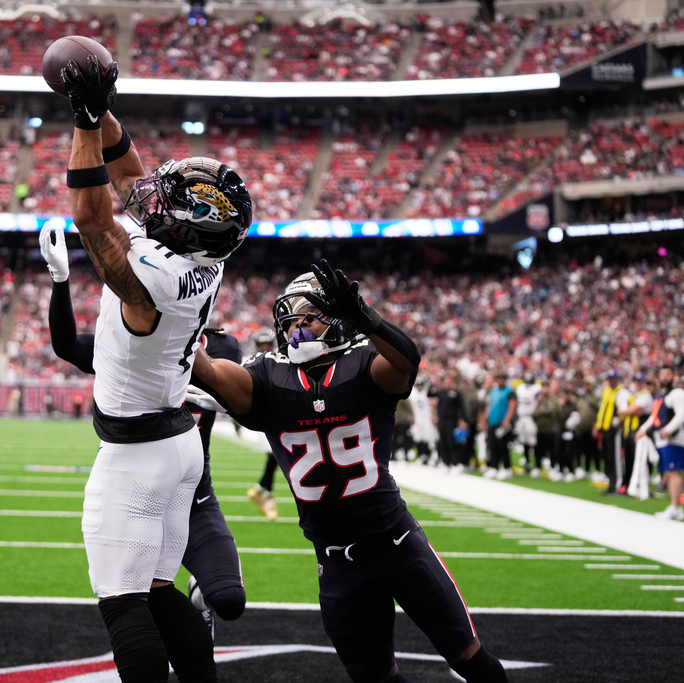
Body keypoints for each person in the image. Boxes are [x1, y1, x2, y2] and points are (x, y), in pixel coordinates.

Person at [191, 261, 508, 683]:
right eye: (293, 319)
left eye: (311, 317)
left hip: (397, 544)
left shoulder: (365, 365)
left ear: (339, 320)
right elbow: (209, 371)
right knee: (375, 678)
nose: (299, 328)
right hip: (337, 562)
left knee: (470, 659)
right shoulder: (266, 378)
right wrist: (175, 315)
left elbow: (407, 362)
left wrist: (367, 317)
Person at [56, 53, 253, 683]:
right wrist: (101, 110)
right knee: (159, 590)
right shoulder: (199, 255)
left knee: (122, 603)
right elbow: (130, 174)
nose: (156, 195)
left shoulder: (156, 278)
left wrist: (83, 120)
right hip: (176, 446)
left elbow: (91, 216)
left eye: (174, 199)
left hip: (138, 453)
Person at [39, 223, 247, 637]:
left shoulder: (221, 348)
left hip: (193, 493)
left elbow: (256, 400)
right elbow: (66, 346)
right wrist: (60, 281)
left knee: (227, 599)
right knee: (138, 600)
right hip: (137, 480)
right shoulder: (133, 343)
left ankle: (195, 607)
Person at [636, 365, 684, 520]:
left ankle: (675, 506)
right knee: (668, 473)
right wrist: (643, 428)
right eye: (662, 374)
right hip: (662, 439)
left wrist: (669, 429)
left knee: (673, 472)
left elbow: (682, 413)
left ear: (673, 376)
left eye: (667, 374)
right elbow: (654, 416)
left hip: (674, 439)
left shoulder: (676, 393)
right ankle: (673, 505)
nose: (664, 377)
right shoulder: (660, 395)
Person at [244, 328, 279, 518]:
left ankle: (263, 491)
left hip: (275, 413)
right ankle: (264, 492)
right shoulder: (251, 362)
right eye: (262, 345)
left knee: (276, 456)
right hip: (261, 416)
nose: (265, 348)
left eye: (268, 345)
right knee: (276, 455)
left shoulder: (278, 360)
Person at [618, 372, 652, 496]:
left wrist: (627, 410)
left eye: (640, 381)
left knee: (641, 461)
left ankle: (642, 486)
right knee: (628, 460)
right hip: (628, 432)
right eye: (636, 381)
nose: (638, 383)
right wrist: (628, 411)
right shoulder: (633, 396)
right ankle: (627, 485)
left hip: (640, 432)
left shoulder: (646, 395)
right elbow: (622, 411)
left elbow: (634, 410)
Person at [594, 370, 628, 494]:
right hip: (605, 428)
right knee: (608, 457)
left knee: (615, 458)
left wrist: (619, 422)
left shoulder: (621, 392)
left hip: (615, 430)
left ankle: (617, 485)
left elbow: (623, 410)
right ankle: (611, 483)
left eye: (613, 379)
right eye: (610, 378)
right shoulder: (607, 391)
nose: (612, 381)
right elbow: (602, 409)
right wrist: (598, 425)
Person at [481, 372, 516, 479]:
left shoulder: (509, 391)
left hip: (503, 423)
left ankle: (507, 468)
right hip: (492, 422)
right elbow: (489, 406)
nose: (500, 381)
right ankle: (493, 467)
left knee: (503, 446)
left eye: (502, 379)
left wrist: (507, 419)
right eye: (499, 379)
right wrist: (484, 420)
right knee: (492, 446)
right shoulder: (493, 391)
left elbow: (512, 405)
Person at [433, 372, 467, 472]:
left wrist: (461, 419)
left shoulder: (456, 393)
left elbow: (461, 407)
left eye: (449, 381)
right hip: (441, 420)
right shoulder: (440, 393)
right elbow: (434, 403)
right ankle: (446, 463)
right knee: (443, 442)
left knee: (452, 441)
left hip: (452, 420)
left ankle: (455, 463)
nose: (447, 383)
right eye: (446, 381)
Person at [513, 372, 543, 476]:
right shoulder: (520, 387)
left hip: (531, 418)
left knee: (534, 442)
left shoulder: (536, 388)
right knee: (523, 441)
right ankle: (527, 463)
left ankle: (537, 465)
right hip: (521, 417)